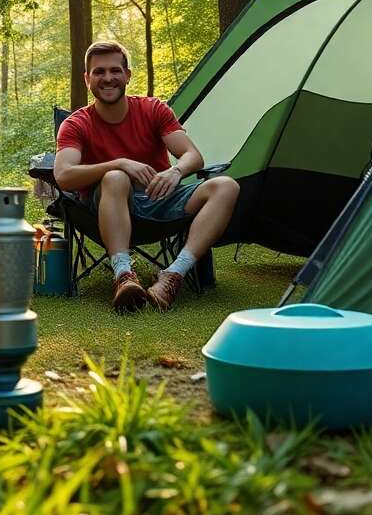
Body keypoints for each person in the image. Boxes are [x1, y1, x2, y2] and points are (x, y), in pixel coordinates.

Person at [53, 41, 239, 312]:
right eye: (99, 72)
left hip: (160, 200)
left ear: (127, 75)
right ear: (87, 79)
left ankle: (173, 275)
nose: (108, 78)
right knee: (116, 177)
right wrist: (119, 163)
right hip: (107, 209)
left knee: (226, 186)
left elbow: (192, 156)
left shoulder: (153, 110)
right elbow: (64, 175)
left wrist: (175, 171)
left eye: (115, 70)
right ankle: (123, 275)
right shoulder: (77, 123)